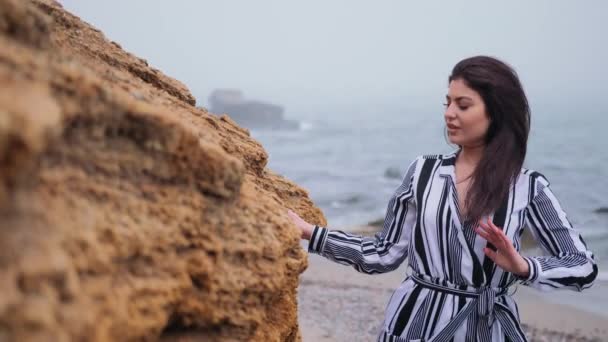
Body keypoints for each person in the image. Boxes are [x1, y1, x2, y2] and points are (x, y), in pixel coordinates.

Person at [287, 55, 598, 342]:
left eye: (463, 105)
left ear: (496, 112)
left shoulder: (528, 187)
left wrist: (524, 266)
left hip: (488, 328)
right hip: (415, 324)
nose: (449, 114)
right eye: (447, 103)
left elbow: (582, 266)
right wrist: (310, 233)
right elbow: (383, 253)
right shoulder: (423, 172)